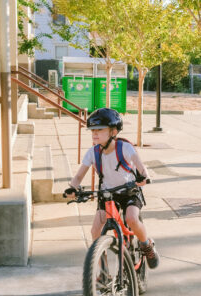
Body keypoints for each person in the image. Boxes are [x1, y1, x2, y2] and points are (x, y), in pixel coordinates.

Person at [63, 108, 160, 269]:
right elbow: (79, 176)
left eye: (100, 130)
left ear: (113, 131)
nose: (94, 134)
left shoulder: (124, 148)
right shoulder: (92, 153)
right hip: (107, 195)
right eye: (92, 130)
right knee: (95, 231)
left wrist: (144, 176)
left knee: (132, 219)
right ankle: (102, 269)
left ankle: (146, 245)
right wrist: (72, 188)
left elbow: (141, 167)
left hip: (128, 191)